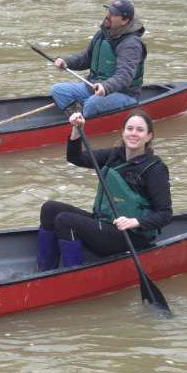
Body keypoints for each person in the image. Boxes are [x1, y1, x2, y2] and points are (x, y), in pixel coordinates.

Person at [36, 109, 172, 271]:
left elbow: (165, 214)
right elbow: (76, 158)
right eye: (130, 129)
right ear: (123, 132)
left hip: (132, 236)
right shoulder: (115, 156)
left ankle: (73, 277)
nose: (133, 133)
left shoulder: (155, 169)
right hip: (105, 224)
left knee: (65, 221)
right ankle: (45, 271)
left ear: (149, 136)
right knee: (50, 208)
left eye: (140, 130)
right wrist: (76, 130)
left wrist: (133, 222)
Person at [50, 0, 147, 117]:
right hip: (94, 87)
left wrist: (105, 87)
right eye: (108, 12)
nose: (108, 16)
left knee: (92, 104)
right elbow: (86, 58)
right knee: (58, 90)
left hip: (123, 94)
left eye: (113, 14)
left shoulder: (131, 44)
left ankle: (81, 121)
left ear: (125, 20)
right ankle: (77, 118)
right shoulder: (103, 33)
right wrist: (66, 62)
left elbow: (124, 76)